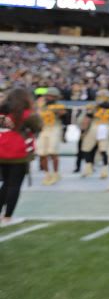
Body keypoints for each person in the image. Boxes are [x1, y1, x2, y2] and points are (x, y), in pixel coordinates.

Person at [0, 88, 42, 226]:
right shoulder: (27, 114)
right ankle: (7, 217)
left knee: (5, 184)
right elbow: (38, 127)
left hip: (2, 151)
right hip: (19, 153)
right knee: (14, 185)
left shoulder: (3, 113)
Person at [35, 87, 66, 186]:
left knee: (52, 151)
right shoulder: (40, 105)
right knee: (42, 153)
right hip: (43, 129)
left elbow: (64, 115)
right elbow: (35, 116)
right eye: (48, 95)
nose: (49, 97)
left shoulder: (59, 106)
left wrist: (58, 112)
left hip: (54, 127)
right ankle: (47, 174)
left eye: (52, 96)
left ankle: (56, 173)